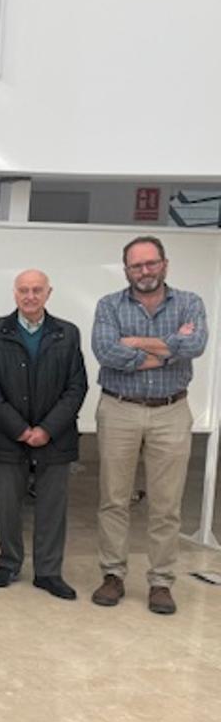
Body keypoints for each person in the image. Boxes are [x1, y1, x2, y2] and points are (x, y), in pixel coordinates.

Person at [90, 236, 207, 615]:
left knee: (167, 503)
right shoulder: (109, 304)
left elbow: (195, 346)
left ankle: (161, 582)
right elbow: (107, 350)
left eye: (151, 263)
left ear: (164, 264)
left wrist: (137, 342)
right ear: (126, 270)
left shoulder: (189, 302)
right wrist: (168, 349)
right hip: (119, 408)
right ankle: (112, 575)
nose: (145, 271)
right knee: (114, 498)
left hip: (171, 411)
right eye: (136, 266)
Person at [0, 270, 87, 599]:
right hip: (9, 435)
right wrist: (22, 430)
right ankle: (9, 563)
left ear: (48, 293)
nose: (30, 296)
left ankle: (49, 572)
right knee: (8, 505)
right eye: (23, 290)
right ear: (14, 294)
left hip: (56, 437)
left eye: (37, 290)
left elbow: (76, 387)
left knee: (52, 507)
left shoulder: (67, 334)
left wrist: (47, 429)